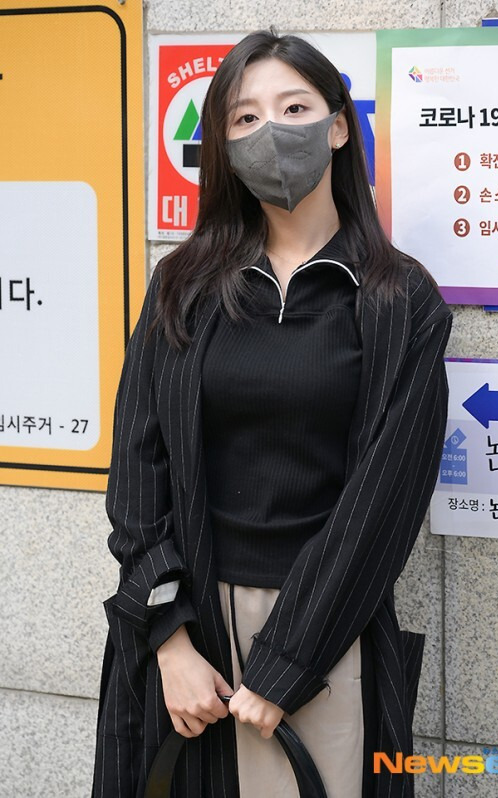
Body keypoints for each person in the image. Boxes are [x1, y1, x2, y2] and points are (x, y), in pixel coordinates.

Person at [91, 27, 453, 798]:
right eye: (245, 118)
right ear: (223, 146)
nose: (271, 133)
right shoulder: (182, 285)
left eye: (294, 108)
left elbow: (386, 504)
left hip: (328, 633)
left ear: (338, 126)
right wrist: (170, 641)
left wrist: (286, 663)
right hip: (189, 635)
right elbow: (137, 474)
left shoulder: (399, 300)